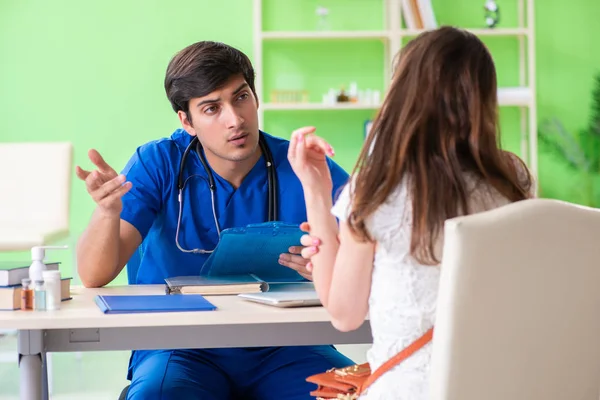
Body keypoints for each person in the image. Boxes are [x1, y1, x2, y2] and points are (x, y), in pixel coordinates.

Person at [75, 41, 354, 399]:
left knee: (354, 392)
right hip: (180, 346)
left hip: (287, 343)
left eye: (241, 98)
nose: (234, 119)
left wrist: (331, 265)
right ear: (186, 121)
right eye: (211, 108)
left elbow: (371, 254)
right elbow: (93, 275)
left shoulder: (303, 163)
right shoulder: (158, 163)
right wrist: (107, 213)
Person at [287, 26, 535, 399]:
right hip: (504, 385)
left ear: (404, 96)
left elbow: (344, 313)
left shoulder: (379, 188)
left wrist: (315, 189)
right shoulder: (513, 179)